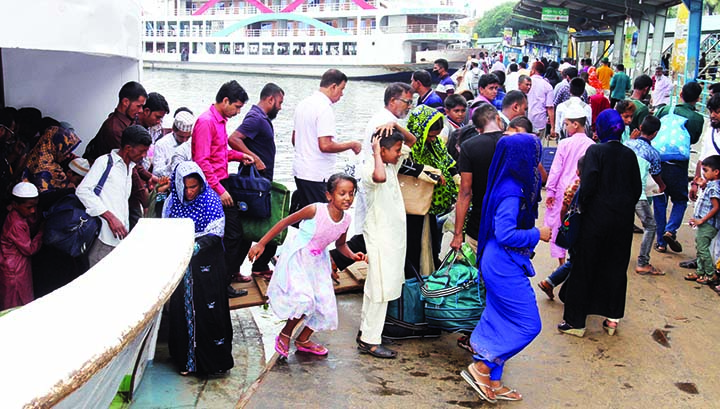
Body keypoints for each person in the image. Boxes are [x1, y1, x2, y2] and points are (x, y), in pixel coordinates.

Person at [459, 133, 551, 403]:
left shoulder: (510, 183)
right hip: (502, 264)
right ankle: (482, 366)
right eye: (535, 155)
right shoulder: (512, 190)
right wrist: (538, 234)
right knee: (528, 324)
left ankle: (494, 381)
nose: (538, 160)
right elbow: (506, 234)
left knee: (500, 317)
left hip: (499, 260)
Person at [249, 174, 364, 359]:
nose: (348, 198)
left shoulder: (346, 219)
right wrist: (261, 244)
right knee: (304, 300)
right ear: (329, 195)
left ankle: (303, 339)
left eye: (351, 194)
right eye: (342, 193)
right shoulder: (315, 210)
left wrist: (353, 255)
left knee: (325, 305)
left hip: (318, 262)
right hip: (298, 255)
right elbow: (284, 222)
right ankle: (285, 334)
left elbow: (341, 245)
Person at [558, 109, 641, 337]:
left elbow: (588, 186)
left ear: (600, 128)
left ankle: (576, 322)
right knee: (616, 267)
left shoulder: (596, 151)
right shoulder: (629, 154)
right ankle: (612, 319)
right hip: (622, 222)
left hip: (595, 220)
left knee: (584, 267)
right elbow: (637, 189)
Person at [165, 161, 233, 376]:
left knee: (209, 310)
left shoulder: (210, 199)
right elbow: (166, 229)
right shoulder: (171, 203)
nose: (190, 192)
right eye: (185, 187)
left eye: (194, 186)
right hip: (183, 267)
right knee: (182, 312)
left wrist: (196, 246)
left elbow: (216, 232)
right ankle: (185, 361)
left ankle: (214, 362)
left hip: (208, 267)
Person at [358, 128, 416, 359]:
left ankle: (367, 331)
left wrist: (395, 124)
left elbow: (412, 140)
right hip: (380, 237)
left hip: (393, 238)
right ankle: (370, 341)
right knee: (379, 289)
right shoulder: (370, 169)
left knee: (380, 287)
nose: (399, 154)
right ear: (381, 150)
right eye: (395, 151)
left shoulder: (392, 165)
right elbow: (378, 177)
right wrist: (375, 152)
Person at [77, 125, 152, 268]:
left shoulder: (129, 167)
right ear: (128, 148)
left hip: (119, 238)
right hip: (103, 237)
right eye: (142, 151)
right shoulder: (104, 163)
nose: (144, 155)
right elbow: (82, 191)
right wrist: (110, 217)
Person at [291, 69, 361, 212]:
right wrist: (351, 145)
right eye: (342, 89)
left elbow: (294, 139)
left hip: (300, 170)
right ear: (333, 86)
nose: (342, 94)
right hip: (317, 174)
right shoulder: (324, 109)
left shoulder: (303, 104)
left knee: (306, 214)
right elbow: (325, 145)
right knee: (319, 217)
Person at [406, 105, 459, 272]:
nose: (433, 139)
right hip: (414, 204)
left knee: (431, 239)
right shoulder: (408, 147)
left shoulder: (435, 144)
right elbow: (405, 167)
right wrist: (430, 173)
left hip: (431, 205)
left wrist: (457, 177)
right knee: (414, 241)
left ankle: (427, 270)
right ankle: (413, 275)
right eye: (430, 136)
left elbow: (447, 161)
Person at [654, 81, 704, 253]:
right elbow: (694, 139)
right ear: (698, 98)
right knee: (680, 200)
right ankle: (671, 229)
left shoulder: (664, 110)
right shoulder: (697, 118)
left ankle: (660, 242)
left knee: (660, 200)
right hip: (679, 165)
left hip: (659, 162)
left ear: (681, 94)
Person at [450, 104, 505, 253]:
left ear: (478, 129)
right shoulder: (514, 143)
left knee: (476, 271)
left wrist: (457, 234)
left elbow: (465, 193)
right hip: (509, 221)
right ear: (498, 119)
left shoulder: (469, 147)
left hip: (479, 223)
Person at [544, 105, 594, 267]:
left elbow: (556, 169)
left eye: (566, 124)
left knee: (561, 224)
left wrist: (550, 191)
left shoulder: (565, 144)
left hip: (563, 189)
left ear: (575, 124)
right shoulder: (592, 145)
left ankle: (561, 262)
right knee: (579, 222)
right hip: (582, 190)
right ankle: (574, 259)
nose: (565, 127)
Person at [537, 156, 584, 300]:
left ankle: (549, 282)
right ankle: (556, 286)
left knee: (574, 259)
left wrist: (564, 224)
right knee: (577, 260)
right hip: (581, 229)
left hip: (572, 228)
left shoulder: (574, 185)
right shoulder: (584, 187)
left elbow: (564, 208)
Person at [625, 115, 666, 276]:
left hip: (622, 191)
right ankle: (643, 262)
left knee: (623, 224)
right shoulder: (653, 153)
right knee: (650, 226)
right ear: (655, 133)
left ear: (640, 127)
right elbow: (656, 175)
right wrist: (662, 186)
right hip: (639, 194)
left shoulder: (628, 144)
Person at [0, 182, 43, 310]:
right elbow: (29, 249)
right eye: (29, 207)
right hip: (15, 270)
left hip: (16, 265)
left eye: (35, 206)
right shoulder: (16, 223)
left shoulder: (18, 215)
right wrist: (42, 232)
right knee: (16, 303)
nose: (33, 210)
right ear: (15, 205)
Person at [84, 81, 147, 162]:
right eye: (138, 106)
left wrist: (149, 175)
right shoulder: (114, 129)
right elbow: (128, 160)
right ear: (125, 102)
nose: (141, 110)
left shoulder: (131, 120)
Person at [686, 155, 720, 284]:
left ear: (716, 172)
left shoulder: (714, 187)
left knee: (703, 248)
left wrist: (701, 220)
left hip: (708, 223)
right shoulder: (711, 185)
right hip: (704, 221)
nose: (704, 174)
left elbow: (716, 207)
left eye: (706, 170)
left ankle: (710, 274)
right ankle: (700, 271)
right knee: (700, 246)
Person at [22, 125, 80, 193]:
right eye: (66, 151)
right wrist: (67, 190)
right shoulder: (45, 168)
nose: (68, 156)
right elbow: (45, 196)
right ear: (56, 146)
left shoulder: (34, 155)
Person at [152, 110, 194, 177]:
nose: (184, 140)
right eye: (181, 136)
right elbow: (156, 172)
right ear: (173, 130)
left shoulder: (193, 142)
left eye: (188, 137)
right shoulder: (161, 144)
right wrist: (172, 166)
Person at [527, 62, 555, 139]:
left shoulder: (526, 83)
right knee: (538, 145)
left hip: (525, 120)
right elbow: (550, 108)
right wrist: (552, 127)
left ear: (533, 70)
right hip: (540, 121)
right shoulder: (547, 86)